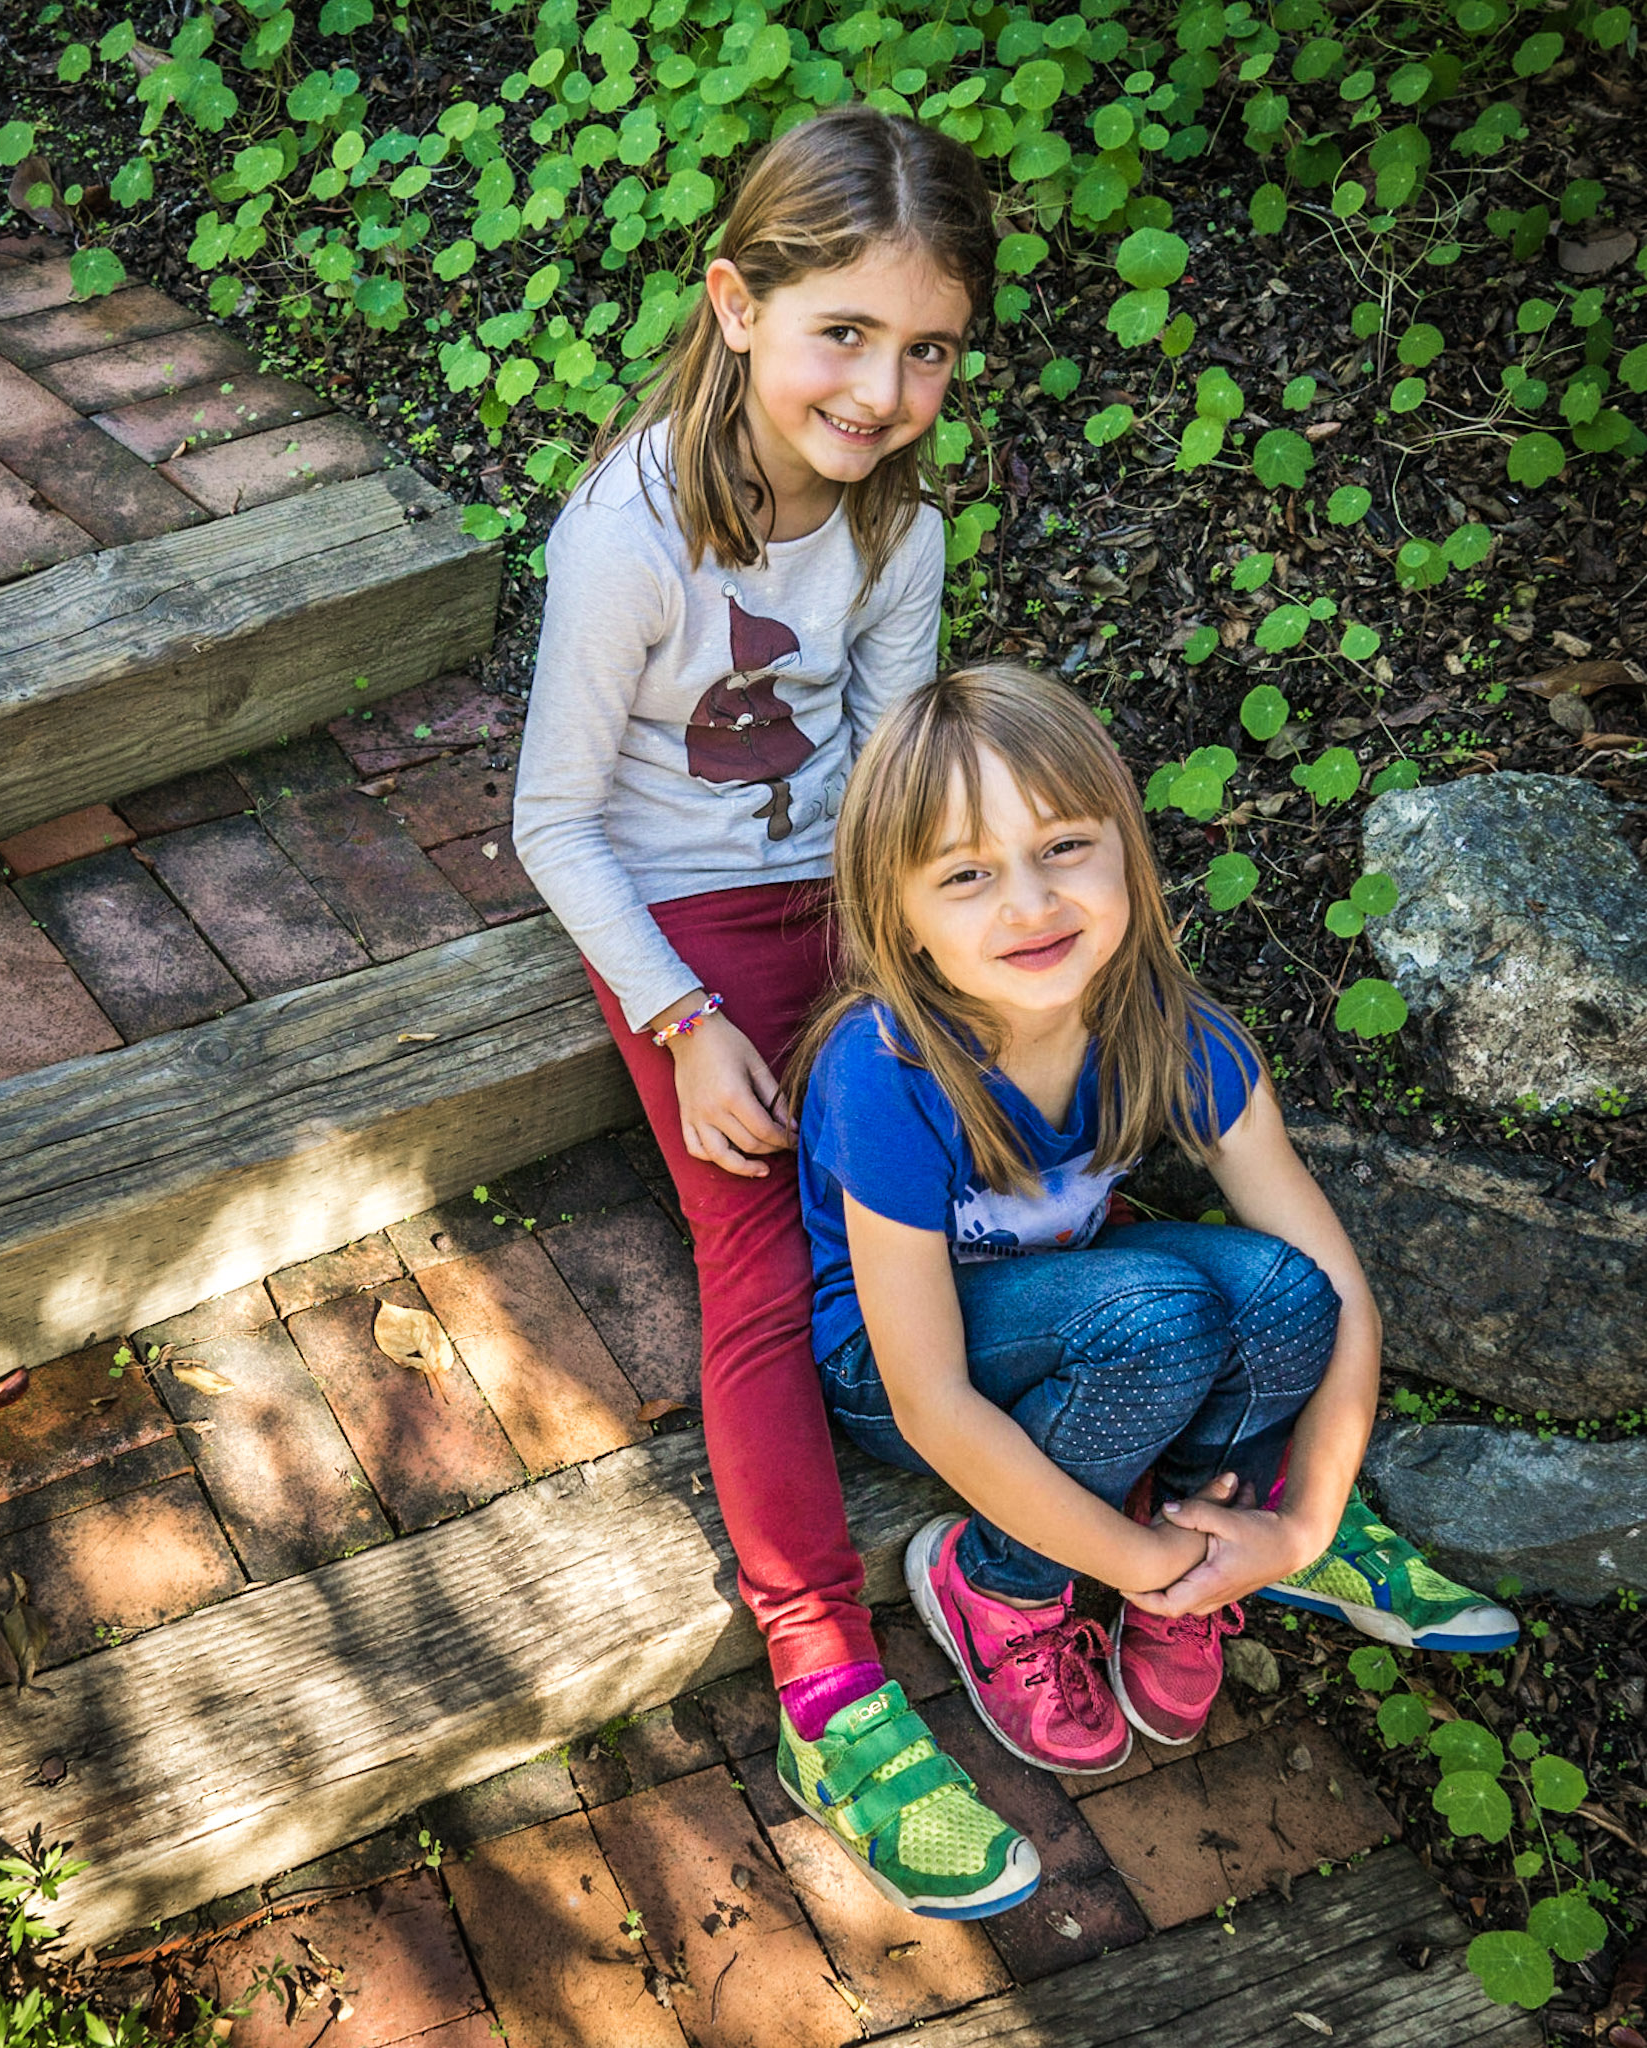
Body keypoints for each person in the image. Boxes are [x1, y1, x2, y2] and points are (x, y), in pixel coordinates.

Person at [514, 109, 1041, 1917]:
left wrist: (927, 962)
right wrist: (678, 1020)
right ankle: (826, 1676)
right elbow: (552, 821)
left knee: (1013, 1107)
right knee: (752, 1243)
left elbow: (894, 774)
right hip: (675, 913)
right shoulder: (629, 538)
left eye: (929, 351)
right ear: (737, 305)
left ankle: (1145, 1469)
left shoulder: (898, 527)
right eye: (845, 335)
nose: (884, 392)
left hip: (847, 890)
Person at [793, 665, 1511, 1781]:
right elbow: (931, 1403)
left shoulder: (1168, 1030)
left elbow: (1343, 1295)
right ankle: (1003, 1581)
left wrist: (1298, 1530)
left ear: (1125, 849)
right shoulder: (885, 1068)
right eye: (968, 874)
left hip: (1081, 1310)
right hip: (889, 1368)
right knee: (1156, 1315)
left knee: (1286, 1297)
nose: (1029, 903)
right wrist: (1141, 1562)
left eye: (1063, 846)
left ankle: (1207, 1534)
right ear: (902, 917)